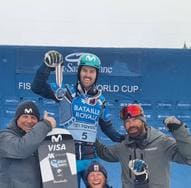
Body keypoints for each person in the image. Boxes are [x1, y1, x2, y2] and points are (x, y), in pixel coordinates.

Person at [31, 50, 124, 186]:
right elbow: (37, 87)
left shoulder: (100, 101)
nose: (87, 75)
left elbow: (107, 128)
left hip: (90, 157)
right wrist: (47, 67)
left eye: (92, 72)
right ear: (79, 72)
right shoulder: (66, 92)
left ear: (96, 75)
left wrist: (124, 138)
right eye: (84, 70)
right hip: (66, 155)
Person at [95, 103, 191, 188]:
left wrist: (179, 130)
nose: (131, 125)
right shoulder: (123, 146)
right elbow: (103, 153)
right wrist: (87, 136)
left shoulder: (162, 142)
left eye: (135, 120)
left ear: (143, 121)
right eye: (127, 122)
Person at [0, 100, 56, 188]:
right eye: (25, 116)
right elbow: (21, 149)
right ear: (17, 119)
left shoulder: (40, 137)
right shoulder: (4, 136)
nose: (29, 121)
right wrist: (45, 125)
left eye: (33, 117)